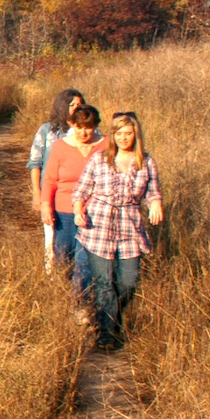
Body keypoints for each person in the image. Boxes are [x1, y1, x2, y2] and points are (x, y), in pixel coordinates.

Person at [75, 110, 163, 348]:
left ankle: (111, 317)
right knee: (103, 281)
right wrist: (77, 210)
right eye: (119, 133)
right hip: (98, 226)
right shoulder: (99, 159)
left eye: (128, 133)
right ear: (113, 135)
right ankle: (106, 333)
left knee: (128, 281)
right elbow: (82, 189)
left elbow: (152, 192)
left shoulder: (146, 162)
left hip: (129, 227)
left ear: (136, 134)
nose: (124, 138)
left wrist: (155, 203)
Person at [40, 101, 103, 298]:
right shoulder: (60, 147)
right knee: (63, 256)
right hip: (64, 210)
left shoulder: (106, 145)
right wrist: (45, 206)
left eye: (89, 127)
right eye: (79, 127)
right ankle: (62, 297)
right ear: (73, 125)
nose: (84, 133)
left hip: (94, 212)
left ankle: (82, 302)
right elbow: (49, 179)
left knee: (84, 261)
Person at [27, 87, 85, 267]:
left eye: (79, 105)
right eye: (71, 104)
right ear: (62, 106)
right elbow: (35, 163)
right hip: (51, 192)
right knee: (51, 236)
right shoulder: (47, 131)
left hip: (78, 195)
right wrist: (37, 193)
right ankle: (52, 278)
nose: (75, 108)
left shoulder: (85, 131)